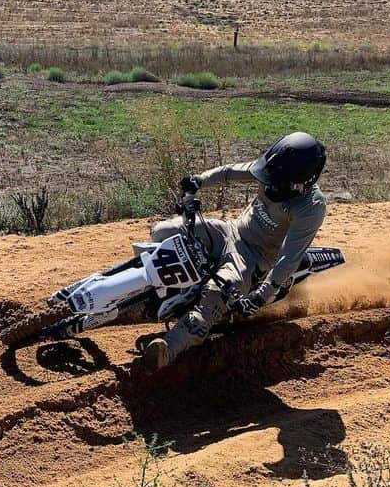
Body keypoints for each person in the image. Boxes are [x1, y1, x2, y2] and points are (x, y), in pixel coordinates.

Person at [140, 132, 328, 370]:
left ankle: (169, 349)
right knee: (163, 232)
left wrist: (261, 296)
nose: (270, 184)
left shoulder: (311, 207)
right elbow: (229, 172)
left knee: (215, 292)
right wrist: (200, 180)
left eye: (278, 181)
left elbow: (289, 258)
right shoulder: (270, 170)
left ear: (302, 182)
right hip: (228, 231)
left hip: (251, 258)